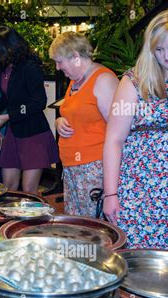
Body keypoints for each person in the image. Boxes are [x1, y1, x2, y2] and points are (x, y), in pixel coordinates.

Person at [103, 9, 168, 255]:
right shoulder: (136, 80)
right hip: (145, 194)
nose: (166, 56)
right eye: (159, 49)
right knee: (143, 264)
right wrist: (111, 194)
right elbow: (114, 140)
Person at [0, 26, 59, 194]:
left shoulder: (29, 67)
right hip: (15, 133)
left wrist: (8, 116)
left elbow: (39, 102)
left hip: (34, 134)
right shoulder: (4, 68)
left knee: (29, 190)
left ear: (9, 47)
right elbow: (8, 98)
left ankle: (34, 220)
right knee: (8, 187)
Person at [49, 32, 119, 217]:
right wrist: (59, 121)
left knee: (94, 225)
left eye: (59, 61)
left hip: (94, 169)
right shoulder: (75, 80)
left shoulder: (103, 80)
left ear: (76, 57)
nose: (57, 67)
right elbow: (74, 112)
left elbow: (119, 129)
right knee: (79, 223)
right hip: (74, 167)